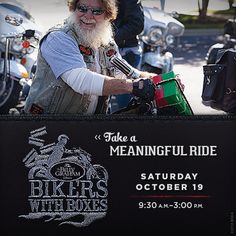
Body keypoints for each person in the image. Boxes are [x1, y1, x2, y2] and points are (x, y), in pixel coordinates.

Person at [23, 0, 156, 115]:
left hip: (84, 127)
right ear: (74, 9)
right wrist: (132, 86)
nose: (87, 16)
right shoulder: (59, 37)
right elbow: (81, 80)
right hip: (43, 125)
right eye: (82, 8)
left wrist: (153, 79)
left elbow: (123, 71)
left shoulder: (106, 43)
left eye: (97, 11)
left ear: (108, 15)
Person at [110, 0, 144, 112]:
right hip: (106, 48)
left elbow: (137, 25)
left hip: (124, 51)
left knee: (123, 93)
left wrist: (110, 37)